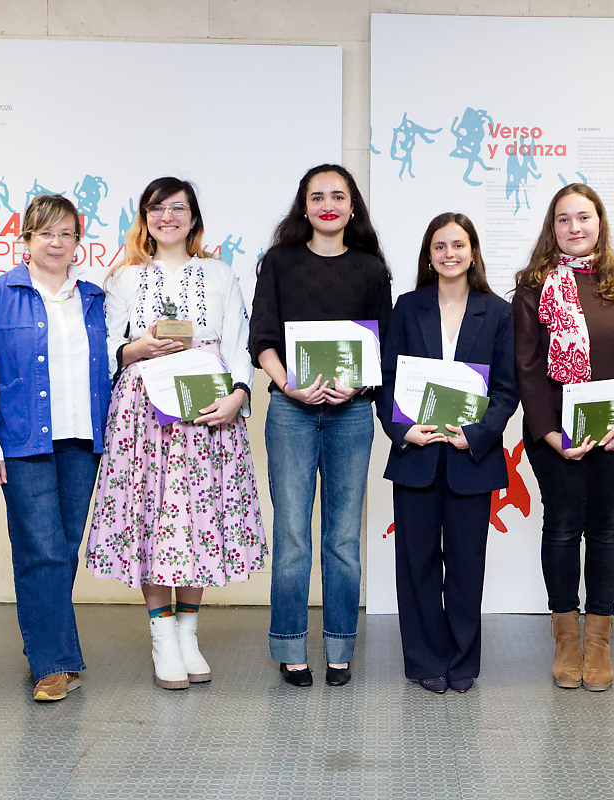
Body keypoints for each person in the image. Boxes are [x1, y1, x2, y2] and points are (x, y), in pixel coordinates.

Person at [85, 177, 265, 690]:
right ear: (144, 217)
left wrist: (237, 397)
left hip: (207, 409)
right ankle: (162, 636)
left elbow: (238, 343)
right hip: (145, 414)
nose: (168, 217)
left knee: (197, 518)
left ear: (193, 216)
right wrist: (137, 348)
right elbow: (108, 350)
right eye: (157, 208)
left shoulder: (219, 273)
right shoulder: (122, 278)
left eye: (178, 207)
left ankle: (188, 632)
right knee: (153, 517)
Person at [513, 183, 614, 692]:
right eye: (564, 219)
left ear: (600, 222)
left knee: (606, 531)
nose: (575, 228)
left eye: (584, 217)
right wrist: (550, 432)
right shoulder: (534, 287)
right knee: (560, 529)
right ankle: (565, 639)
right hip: (555, 436)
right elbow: (528, 369)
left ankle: (597, 640)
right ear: (552, 228)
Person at [249, 164, 392, 687]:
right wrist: (289, 385)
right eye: (317, 196)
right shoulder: (279, 263)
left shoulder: (372, 271)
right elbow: (261, 337)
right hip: (291, 411)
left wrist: (357, 384)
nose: (328, 204)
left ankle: (339, 647)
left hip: (351, 414)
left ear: (352, 207)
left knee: (341, 538)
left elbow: (382, 345)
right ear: (303, 207)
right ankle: (290, 646)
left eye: (338, 196)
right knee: (292, 536)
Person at [0, 194, 111, 702]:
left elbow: (114, 367)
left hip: (83, 440)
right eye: (45, 233)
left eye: (66, 233)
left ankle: (57, 653)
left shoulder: (95, 298)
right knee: (40, 549)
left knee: (64, 549)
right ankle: (51, 664)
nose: (56, 243)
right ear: (25, 240)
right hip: (24, 441)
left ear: (78, 241)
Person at [377, 213, 518, 694]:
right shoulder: (408, 306)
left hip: (469, 459)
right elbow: (388, 380)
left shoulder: (497, 312)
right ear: (429, 255)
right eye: (440, 246)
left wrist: (474, 435)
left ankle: (461, 662)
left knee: (465, 565)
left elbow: (506, 390)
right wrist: (402, 430)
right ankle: (424, 659)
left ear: (473, 252)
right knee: (415, 563)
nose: (450, 254)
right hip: (417, 454)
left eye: (458, 245)